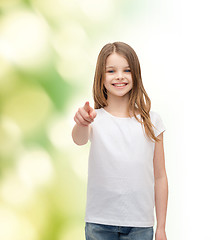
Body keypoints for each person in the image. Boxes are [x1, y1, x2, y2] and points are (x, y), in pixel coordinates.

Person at [71, 42, 168, 240]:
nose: (120, 76)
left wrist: (161, 228)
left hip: (140, 225)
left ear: (136, 75)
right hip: (99, 223)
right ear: (101, 76)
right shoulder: (94, 118)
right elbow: (79, 139)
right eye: (111, 71)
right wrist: (82, 122)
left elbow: (160, 177)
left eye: (127, 70)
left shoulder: (152, 121)